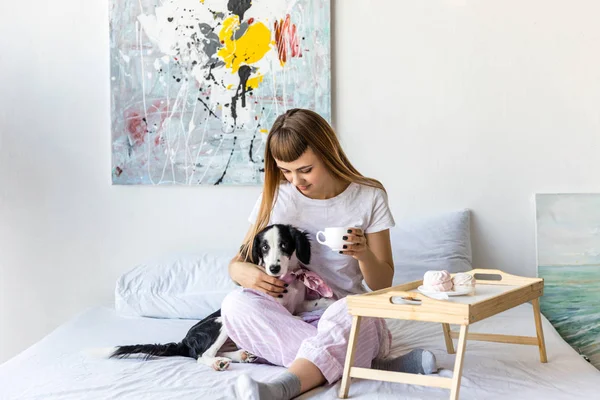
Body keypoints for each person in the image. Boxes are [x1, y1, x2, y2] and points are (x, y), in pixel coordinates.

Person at [223, 109, 437, 399]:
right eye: (285, 171)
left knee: (348, 310)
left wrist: (363, 254)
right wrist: (238, 271)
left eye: (305, 169)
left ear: (328, 153)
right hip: (290, 317)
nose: (296, 180)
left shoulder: (369, 195)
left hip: (348, 317)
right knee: (235, 304)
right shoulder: (276, 197)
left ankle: (282, 388)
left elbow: (383, 284)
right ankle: (374, 365)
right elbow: (238, 261)